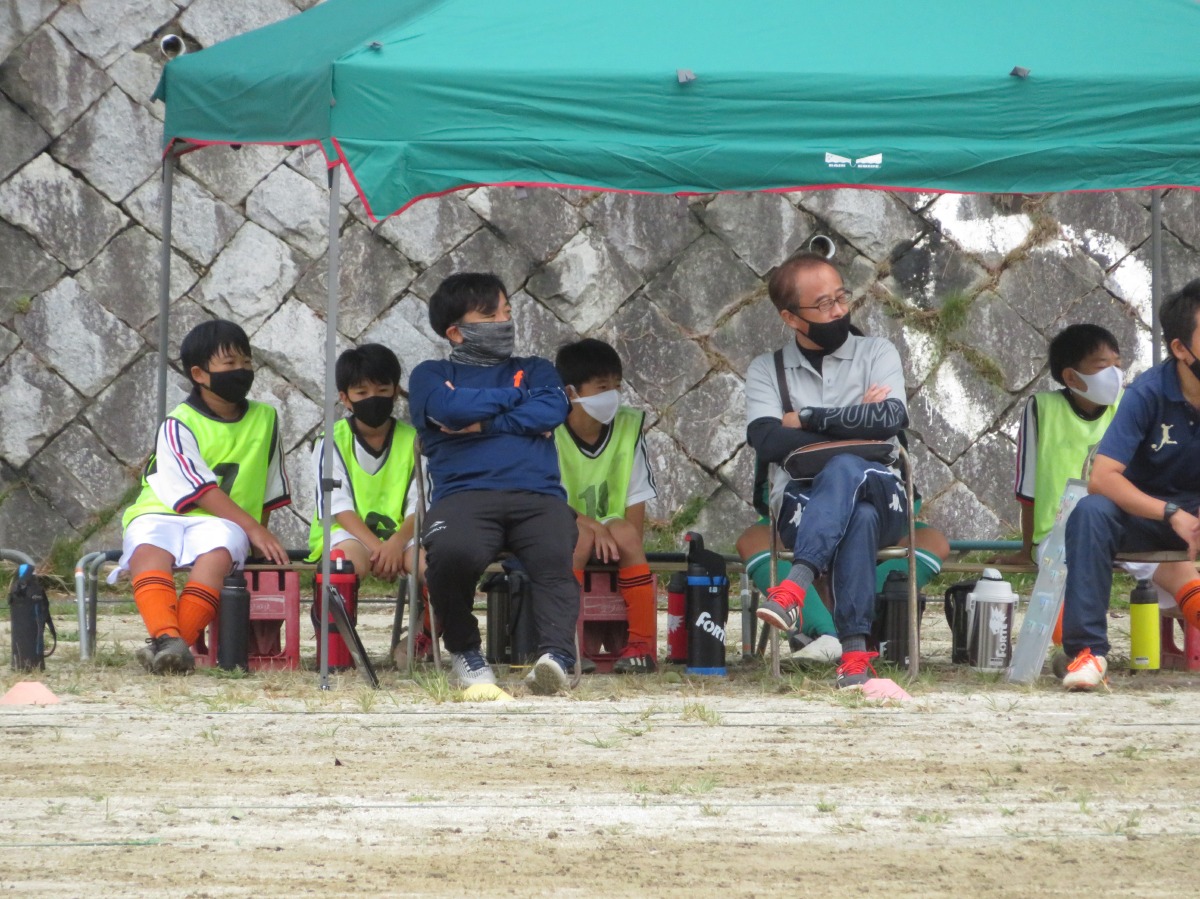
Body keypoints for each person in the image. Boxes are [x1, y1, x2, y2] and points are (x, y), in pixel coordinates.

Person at [407, 272, 579, 694]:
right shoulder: (431, 374)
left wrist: (482, 422)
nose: (505, 322)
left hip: (537, 496)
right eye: (490, 315)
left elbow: (552, 409)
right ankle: (466, 652)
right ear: (456, 332)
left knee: (554, 550)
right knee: (450, 554)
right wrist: (518, 399)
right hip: (463, 497)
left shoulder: (535, 369)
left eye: (507, 311)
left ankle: (555, 657)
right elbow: (447, 408)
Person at [746, 253, 910, 688]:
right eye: (823, 304)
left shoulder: (877, 352)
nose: (838, 310)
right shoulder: (768, 369)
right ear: (790, 317)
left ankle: (794, 587)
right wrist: (856, 422)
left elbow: (890, 418)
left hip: (884, 493)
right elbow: (767, 439)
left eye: (841, 298)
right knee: (857, 513)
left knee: (845, 471)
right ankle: (855, 658)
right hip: (802, 505)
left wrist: (807, 419)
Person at [115, 320, 290, 674]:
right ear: (199, 374)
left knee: (218, 553)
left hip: (224, 523)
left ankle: (170, 645)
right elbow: (202, 491)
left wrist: (257, 536)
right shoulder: (178, 423)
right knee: (148, 548)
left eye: (246, 361)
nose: (241, 370)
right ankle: (170, 639)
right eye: (229, 363)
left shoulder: (266, 418)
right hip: (161, 511)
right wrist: (254, 529)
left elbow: (270, 489)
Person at [1060, 280, 1200, 690]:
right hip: (1147, 515)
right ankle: (1088, 653)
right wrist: (1171, 514)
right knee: (1091, 512)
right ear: (1180, 349)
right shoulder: (1147, 393)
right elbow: (1102, 478)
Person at [307, 344, 422, 658]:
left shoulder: (416, 440)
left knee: (437, 566)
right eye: (362, 392)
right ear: (345, 398)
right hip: (349, 535)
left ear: (395, 391)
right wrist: (379, 548)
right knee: (341, 567)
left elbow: (421, 504)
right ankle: (336, 650)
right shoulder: (330, 440)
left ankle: (423, 635)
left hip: (404, 536)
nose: (373, 398)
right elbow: (337, 506)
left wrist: (396, 543)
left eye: (382, 389)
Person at [554, 338, 659, 673]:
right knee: (580, 538)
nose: (612, 395)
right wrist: (591, 526)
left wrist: (626, 548)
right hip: (560, 522)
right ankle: (563, 645)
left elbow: (636, 496)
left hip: (611, 524)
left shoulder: (629, 426)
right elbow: (547, 497)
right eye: (602, 387)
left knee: (627, 536)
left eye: (617, 385)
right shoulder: (549, 429)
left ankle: (641, 645)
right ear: (571, 392)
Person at [1011, 324, 1122, 561]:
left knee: (1166, 567)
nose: (1115, 374)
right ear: (1071, 376)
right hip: (1057, 534)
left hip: (1119, 530)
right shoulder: (1041, 409)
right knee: (1074, 562)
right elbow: (1027, 489)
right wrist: (1026, 550)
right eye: (1103, 367)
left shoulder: (1128, 404)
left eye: (1118, 365)